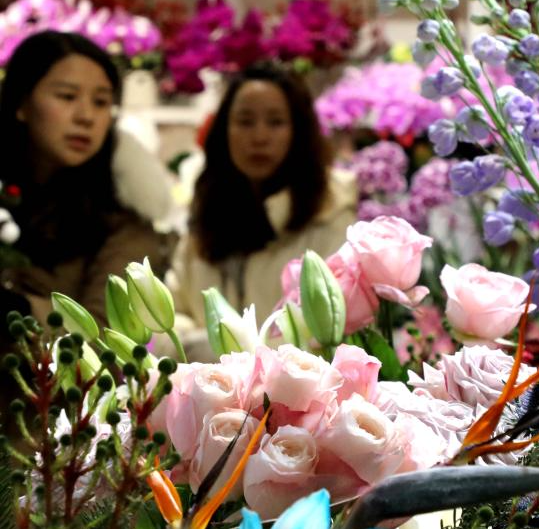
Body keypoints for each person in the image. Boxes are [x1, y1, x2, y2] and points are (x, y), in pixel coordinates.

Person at [168, 63, 356, 350]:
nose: (259, 137)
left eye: (276, 122)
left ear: (298, 131)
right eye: (245, 121)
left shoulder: (330, 219)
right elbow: (169, 317)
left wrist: (233, 351)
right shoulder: (207, 215)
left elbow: (330, 332)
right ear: (223, 131)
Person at [0, 31, 165, 324]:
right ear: (20, 104)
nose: (86, 116)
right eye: (67, 96)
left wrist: (19, 309)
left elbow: (107, 337)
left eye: (101, 102)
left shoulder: (124, 217)